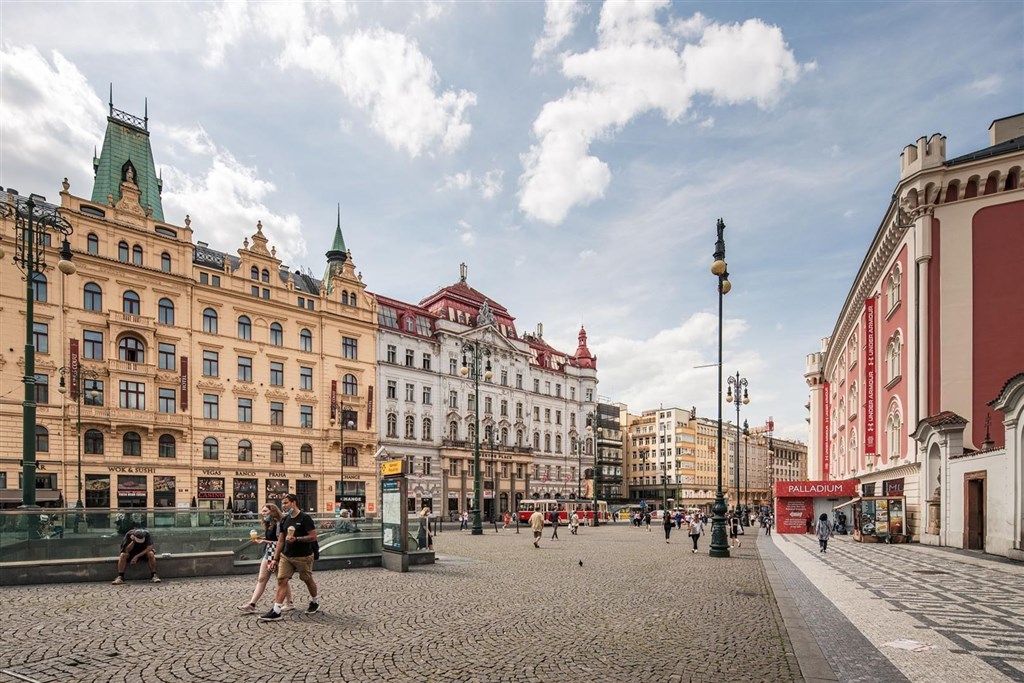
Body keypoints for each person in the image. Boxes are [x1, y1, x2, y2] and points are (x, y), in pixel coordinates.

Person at [260, 493, 319, 621]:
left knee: (307, 579)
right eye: (282, 503)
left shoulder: (305, 518)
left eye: (286, 503)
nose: (283, 506)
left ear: (293, 503)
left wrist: (296, 539)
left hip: (303, 556)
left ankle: (315, 601)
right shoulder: (285, 520)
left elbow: (313, 536)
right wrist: (275, 559)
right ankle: (276, 610)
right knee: (281, 580)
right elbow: (281, 541)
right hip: (286, 556)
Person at [238, 503, 293, 614]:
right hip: (268, 553)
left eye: (265, 511)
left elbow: (280, 542)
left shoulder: (279, 524)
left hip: (277, 554)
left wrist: (264, 541)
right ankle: (252, 604)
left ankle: (289, 603)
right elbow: (271, 538)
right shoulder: (269, 523)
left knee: (281, 579)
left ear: (272, 512)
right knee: (262, 578)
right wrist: (262, 539)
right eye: (262, 511)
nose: (263, 513)